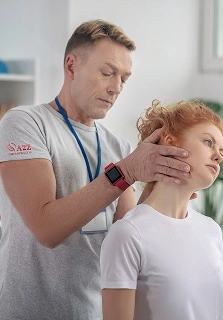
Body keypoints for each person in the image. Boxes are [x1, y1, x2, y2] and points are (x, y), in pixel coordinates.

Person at [0, 20, 191, 320]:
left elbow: (129, 237)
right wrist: (126, 172)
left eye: (124, 79)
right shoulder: (24, 123)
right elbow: (46, 229)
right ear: (72, 66)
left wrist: (166, 191)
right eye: (107, 73)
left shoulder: (118, 147)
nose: (116, 88)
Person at [100, 99, 223, 320]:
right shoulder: (129, 234)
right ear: (170, 143)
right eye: (208, 142)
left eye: (221, 150)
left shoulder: (212, 231)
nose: (218, 155)